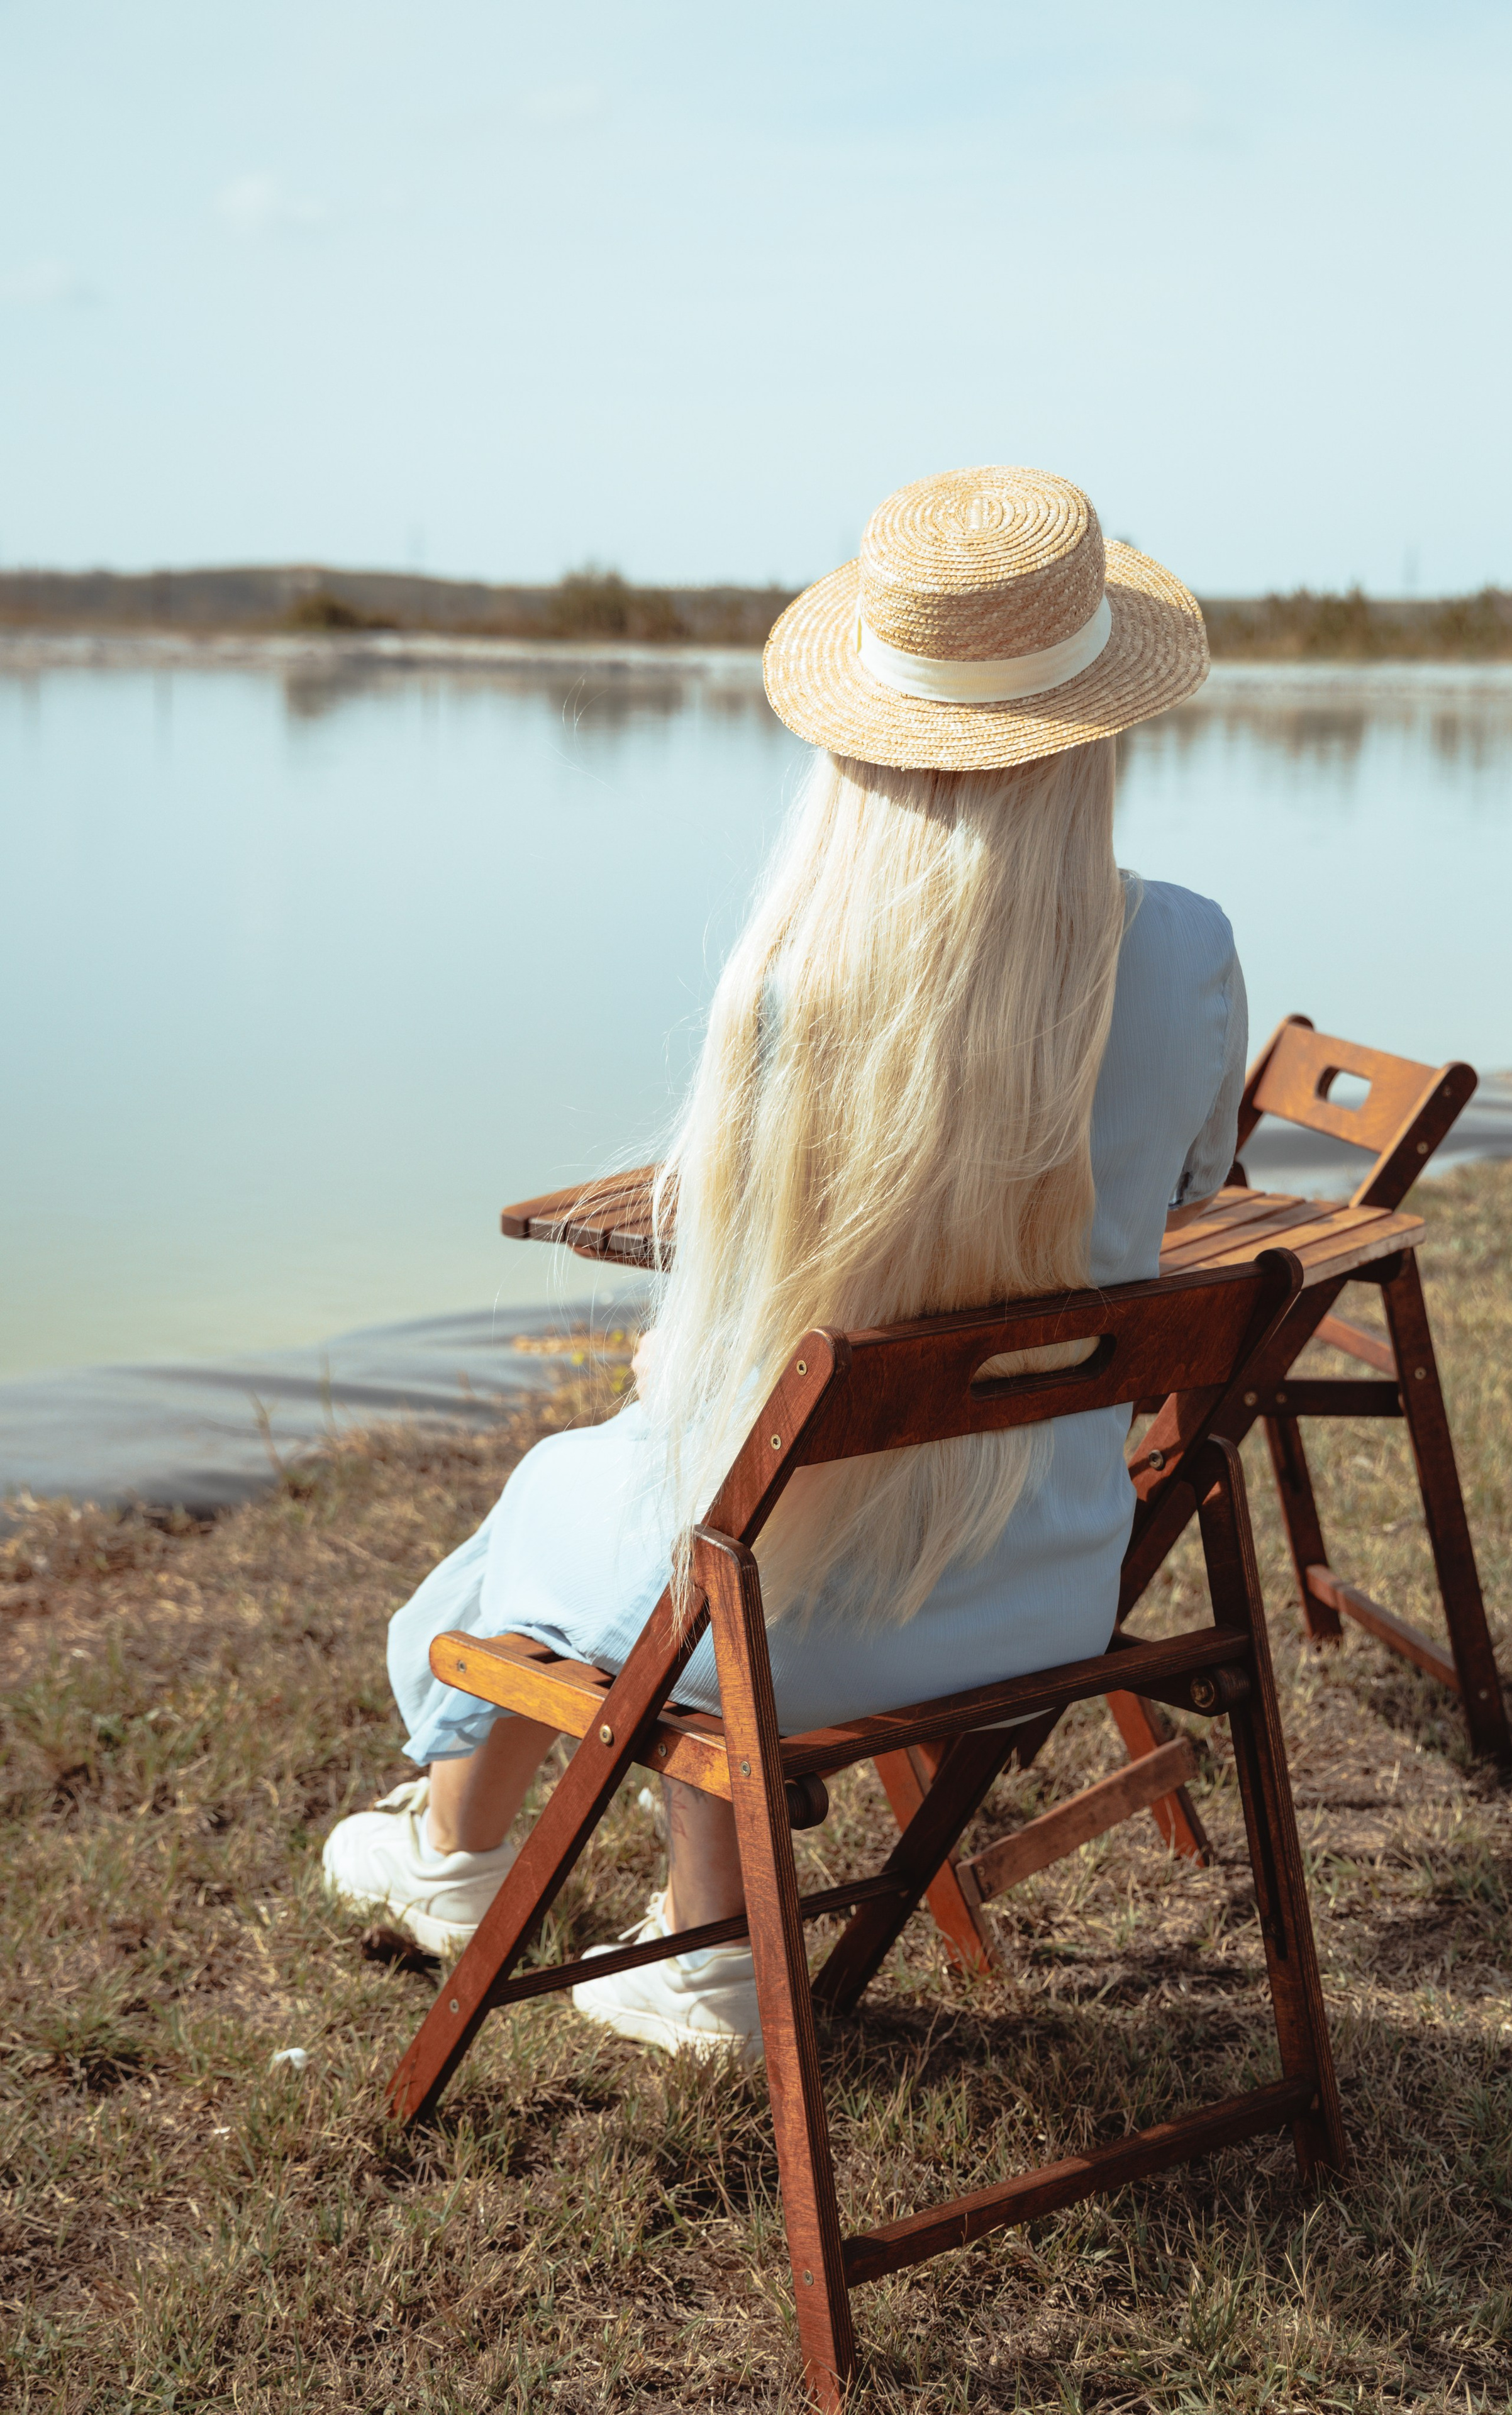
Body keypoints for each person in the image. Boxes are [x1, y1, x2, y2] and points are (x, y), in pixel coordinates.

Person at [323, 465, 1245, 2061]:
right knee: (660, 1497)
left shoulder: (788, 983)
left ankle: (498, 1870)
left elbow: (714, 1332)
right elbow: (1190, 1187)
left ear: (867, 733)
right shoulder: (1184, 945)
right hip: (1054, 1587)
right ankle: (642, 1927)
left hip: (781, 1627)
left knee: (587, 1490)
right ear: (1098, 725)